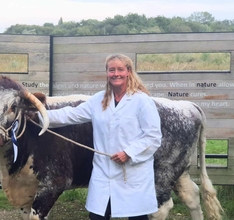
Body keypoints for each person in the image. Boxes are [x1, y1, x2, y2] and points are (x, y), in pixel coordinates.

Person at [39, 54, 162, 220]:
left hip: (133, 173)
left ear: (128, 72)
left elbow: (153, 137)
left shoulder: (142, 101)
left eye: (120, 69)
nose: (116, 73)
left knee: (137, 217)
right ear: (107, 73)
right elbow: (71, 114)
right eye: (112, 70)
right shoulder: (98, 100)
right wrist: (39, 116)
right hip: (104, 173)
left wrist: (129, 153)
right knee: (97, 217)